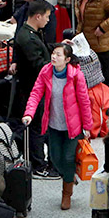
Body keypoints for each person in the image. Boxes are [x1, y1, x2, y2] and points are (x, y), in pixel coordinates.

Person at [22, 42, 95, 209]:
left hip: (73, 127)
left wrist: (87, 127)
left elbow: (84, 102)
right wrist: (29, 113)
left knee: (69, 158)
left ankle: (66, 193)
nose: (54, 57)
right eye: (53, 53)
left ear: (68, 59)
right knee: (55, 158)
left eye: (59, 54)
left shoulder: (76, 75)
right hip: (53, 124)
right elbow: (36, 93)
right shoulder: (46, 72)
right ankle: (70, 176)